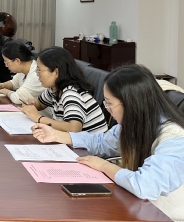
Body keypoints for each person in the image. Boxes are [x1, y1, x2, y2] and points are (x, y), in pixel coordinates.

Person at [32, 64, 184, 221]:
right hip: (139, 207)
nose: (108, 110)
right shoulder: (136, 123)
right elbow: (102, 143)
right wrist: (56, 135)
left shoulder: (174, 138)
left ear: (131, 103)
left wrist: (104, 166)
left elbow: (145, 185)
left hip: (166, 216)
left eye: (110, 104)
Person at [21, 46, 107, 133]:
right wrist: (31, 104)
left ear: (56, 72)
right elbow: (40, 103)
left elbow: (74, 128)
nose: (37, 74)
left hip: (90, 141)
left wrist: (38, 118)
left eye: (39, 70)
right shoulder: (54, 89)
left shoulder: (71, 93)